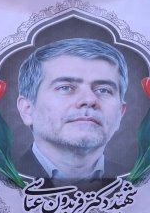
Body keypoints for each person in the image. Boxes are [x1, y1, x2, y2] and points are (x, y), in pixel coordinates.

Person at [15, 38, 129, 184]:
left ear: (120, 113)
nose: (89, 100)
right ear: (27, 110)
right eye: (66, 88)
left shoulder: (141, 184)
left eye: (103, 90)